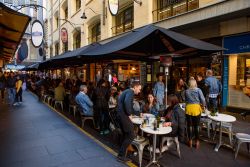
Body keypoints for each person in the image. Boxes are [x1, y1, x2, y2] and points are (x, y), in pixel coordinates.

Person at [117, 81, 142, 163]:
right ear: (135, 87)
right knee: (131, 135)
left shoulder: (126, 91)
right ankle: (121, 155)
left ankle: (123, 153)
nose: (139, 91)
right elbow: (127, 104)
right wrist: (129, 114)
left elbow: (129, 106)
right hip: (124, 116)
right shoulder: (130, 92)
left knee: (126, 135)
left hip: (120, 116)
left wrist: (138, 113)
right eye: (139, 89)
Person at [185, 78, 206, 149]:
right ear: (195, 83)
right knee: (196, 126)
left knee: (189, 126)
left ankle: (190, 141)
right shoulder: (198, 90)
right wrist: (203, 106)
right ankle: (197, 141)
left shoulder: (186, 91)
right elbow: (203, 99)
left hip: (188, 109)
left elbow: (186, 100)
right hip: (196, 108)